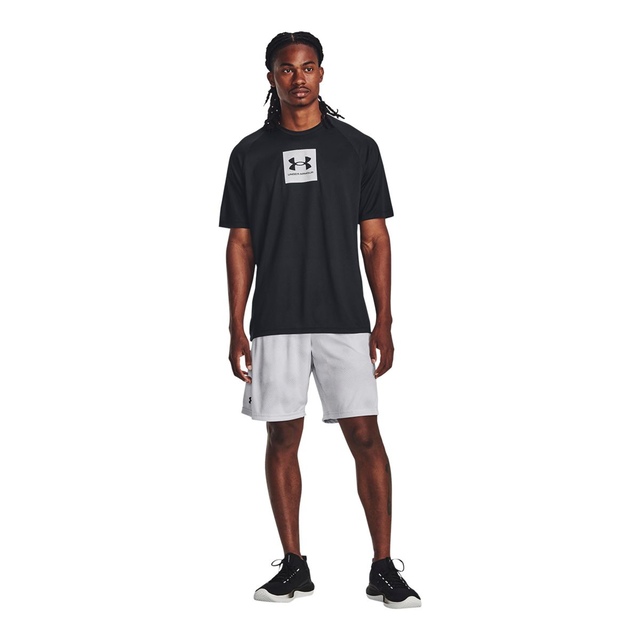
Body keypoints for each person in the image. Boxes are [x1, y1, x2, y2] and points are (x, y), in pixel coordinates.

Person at [219, 31, 421, 609]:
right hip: (275, 319)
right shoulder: (249, 154)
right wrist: (236, 325)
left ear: (322, 73)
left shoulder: (357, 148)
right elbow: (241, 243)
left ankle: (383, 568)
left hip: (344, 318)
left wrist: (384, 320)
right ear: (271, 77)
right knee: (282, 437)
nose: (298, 78)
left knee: (366, 437)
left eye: (308, 67)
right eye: (286, 69)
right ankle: (294, 565)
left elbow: (375, 239)